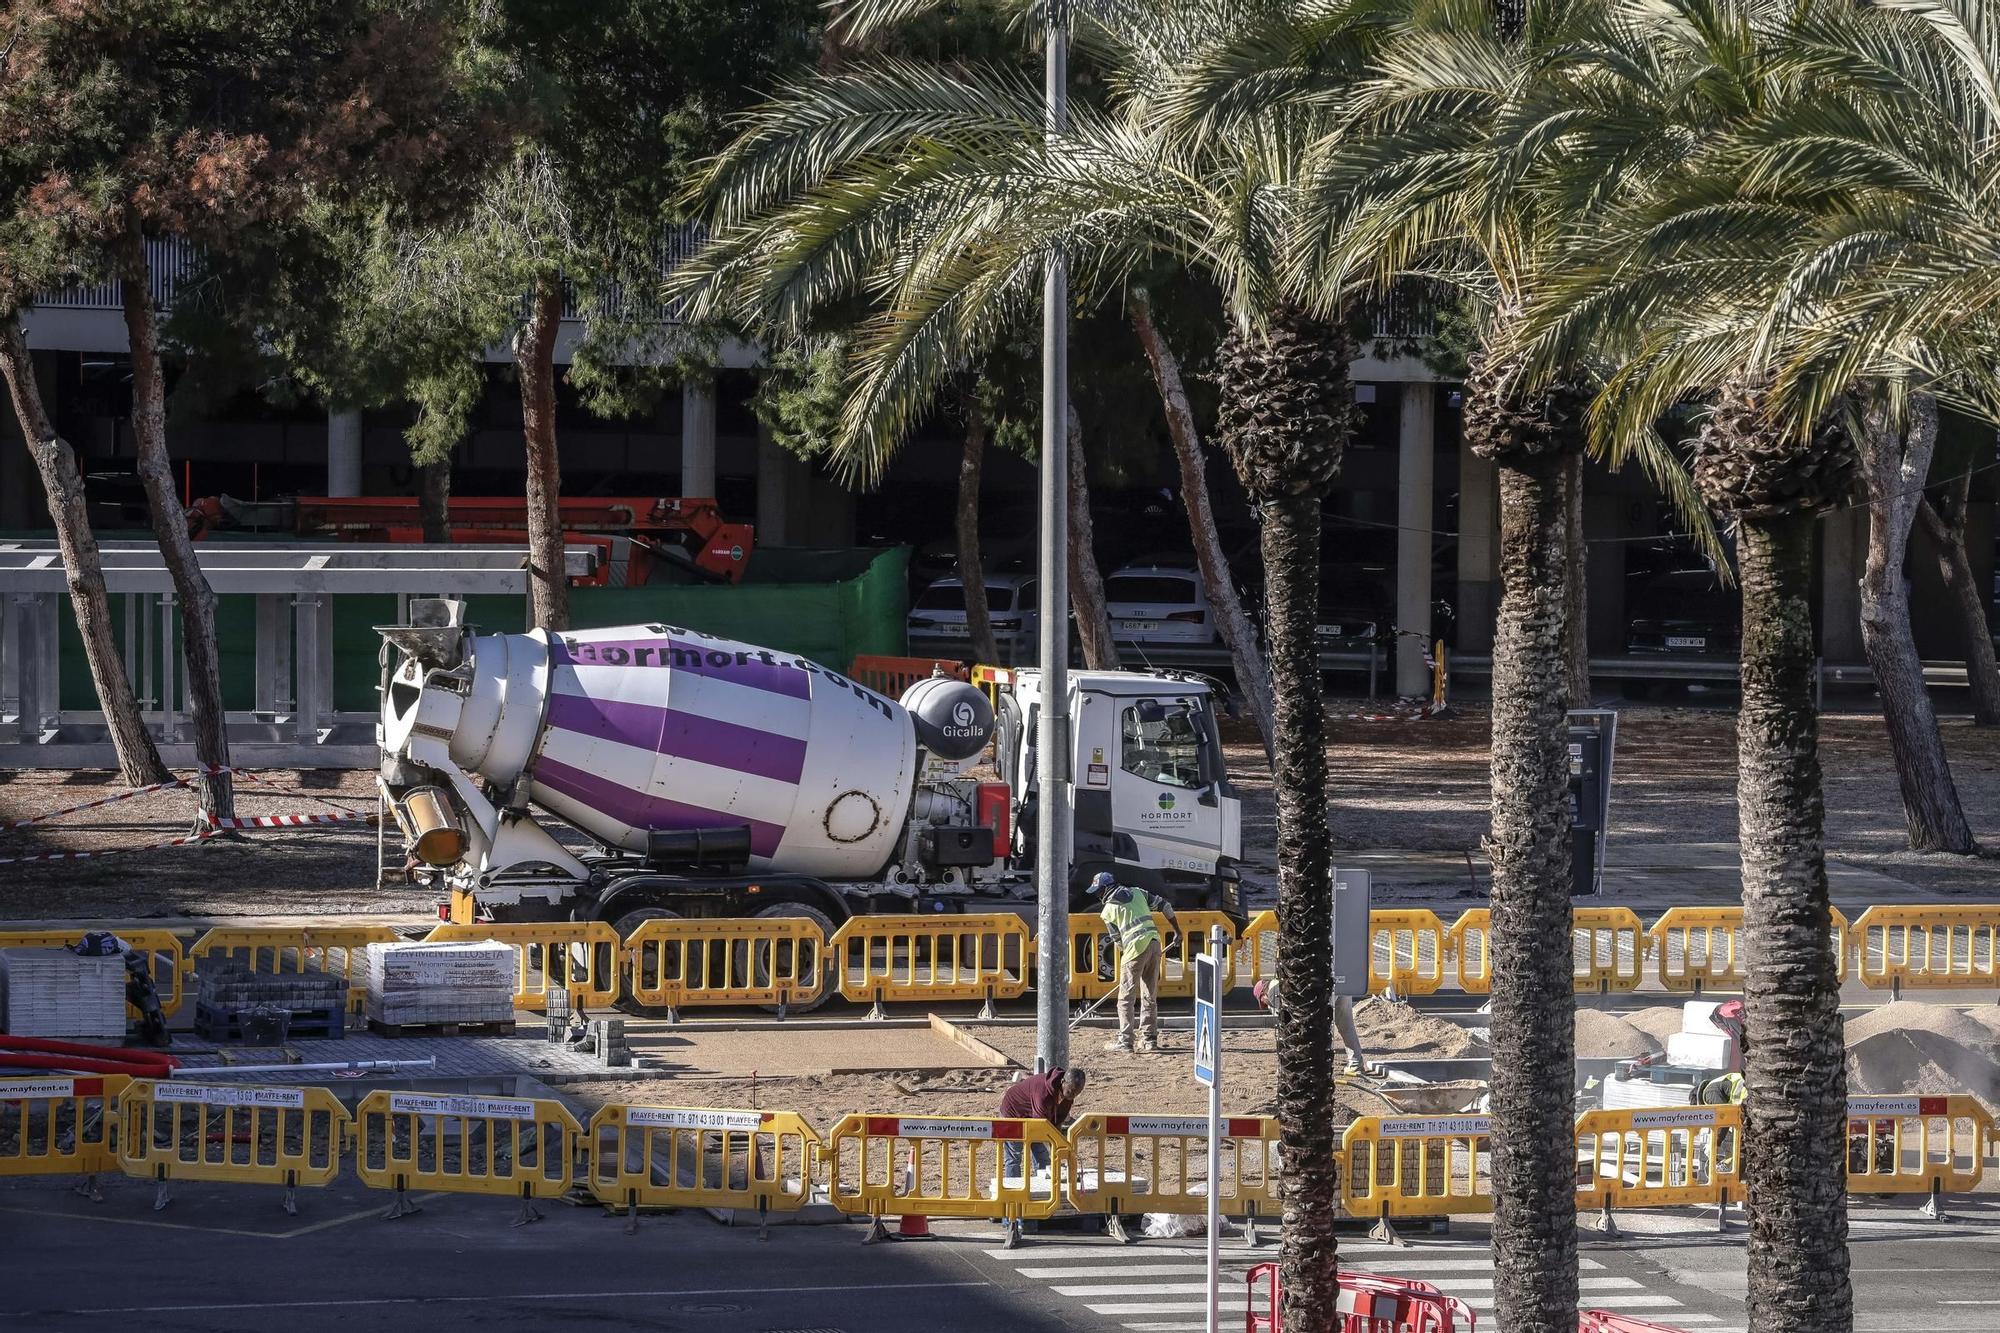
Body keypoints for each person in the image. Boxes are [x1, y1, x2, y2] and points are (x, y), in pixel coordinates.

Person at [995, 1067, 1085, 1246]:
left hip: (1034, 1119)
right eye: (1071, 1090)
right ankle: (1011, 1213)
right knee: (1014, 1158)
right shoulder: (1043, 1093)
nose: (1073, 1094)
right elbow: (1041, 1128)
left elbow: (1056, 1124)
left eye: (1077, 1092)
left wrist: (1062, 1148)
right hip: (1014, 1114)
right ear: (1063, 1083)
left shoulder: (1068, 1097)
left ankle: (1041, 1205)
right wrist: (1057, 1146)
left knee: (1044, 1161)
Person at [1091, 871, 1176, 1053]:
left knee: (1125, 998)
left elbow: (1118, 941)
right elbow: (1165, 906)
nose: (1098, 896)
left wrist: (1129, 962)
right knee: (1149, 996)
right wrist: (1178, 931)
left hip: (1134, 951)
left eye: (1098, 891)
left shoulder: (1107, 911)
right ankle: (1149, 1039)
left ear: (1105, 889)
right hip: (1154, 943)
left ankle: (1125, 1040)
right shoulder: (1138, 893)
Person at [1251, 978, 1385, 1078]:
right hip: (1340, 984)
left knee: (1318, 1029)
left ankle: (1317, 1068)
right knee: (1346, 1026)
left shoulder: (1274, 991)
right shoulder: (1283, 980)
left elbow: (1289, 1030)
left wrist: (1284, 1066)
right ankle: (1356, 1064)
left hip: (1323, 991)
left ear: (1263, 993)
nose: (1265, 1005)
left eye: (1262, 1001)